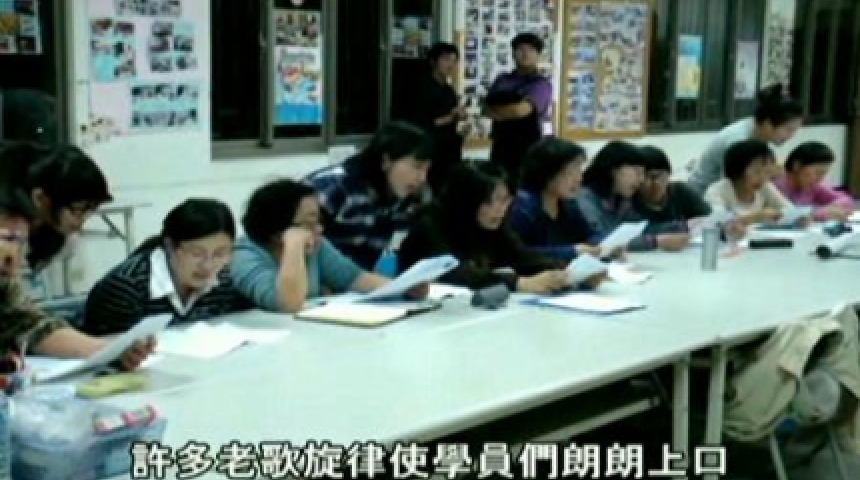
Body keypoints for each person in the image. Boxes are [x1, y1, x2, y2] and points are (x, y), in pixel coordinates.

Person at [0, 188, 151, 369]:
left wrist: (111, 351)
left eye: (21, 243)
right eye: (7, 239)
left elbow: (33, 326)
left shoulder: (5, 286)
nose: (14, 256)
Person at [399, 163, 602, 294]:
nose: (500, 210)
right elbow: (453, 273)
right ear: (467, 201)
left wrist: (569, 273)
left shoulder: (494, 223)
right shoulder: (430, 223)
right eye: (491, 201)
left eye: (505, 201)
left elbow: (523, 257)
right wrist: (519, 283)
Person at [231, 179, 420, 313]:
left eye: (319, 222)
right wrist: (293, 245)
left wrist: (403, 287)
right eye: (309, 223)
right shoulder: (245, 254)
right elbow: (288, 303)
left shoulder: (316, 246)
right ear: (278, 230)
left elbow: (354, 278)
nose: (319, 229)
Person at [83, 199, 252, 335]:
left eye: (220, 253)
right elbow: (111, 351)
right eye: (197, 253)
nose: (208, 265)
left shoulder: (224, 280)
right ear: (170, 246)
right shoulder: (127, 286)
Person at [304, 122, 433, 270]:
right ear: (386, 160)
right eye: (417, 166)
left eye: (426, 170)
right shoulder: (332, 187)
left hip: (358, 279)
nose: (422, 178)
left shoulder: (404, 197)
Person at [0, 142, 112, 273]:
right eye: (78, 209)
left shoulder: (52, 232)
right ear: (40, 198)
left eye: (92, 208)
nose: (84, 219)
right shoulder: (11, 223)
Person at [688, 83, 804, 193]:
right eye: (789, 129)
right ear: (768, 124)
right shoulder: (737, 140)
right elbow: (732, 187)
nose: (792, 136)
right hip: (704, 197)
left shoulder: (759, 135)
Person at [577, 141, 691, 252]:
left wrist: (681, 226)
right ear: (615, 169)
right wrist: (655, 241)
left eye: (643, 174)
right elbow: (600, 240)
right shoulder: (583, 199)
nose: (641, 180)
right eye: (637, 172)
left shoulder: (619, 199)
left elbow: (639, 228)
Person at [508, 137, 602, 262]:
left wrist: (601, 246)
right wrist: (572, 251)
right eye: (570, 171)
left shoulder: (568, 205)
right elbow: (518, 253)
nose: (578, 178)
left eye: (579, 169)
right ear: (547, 172)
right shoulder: (521, 208)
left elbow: (591, 234)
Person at [485, 33, 553, 184]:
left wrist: (498, 113)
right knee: (498, 185)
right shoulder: (502, 79)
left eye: (531, 50)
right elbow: (485, 109)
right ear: (513, 53)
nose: (525, 54)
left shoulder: (541, 84)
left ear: (538, 55)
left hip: (529, 149)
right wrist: (505, 112)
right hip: (500, 145)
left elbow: (520, 111)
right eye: (521, 49)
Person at [408, 42, 466, 190]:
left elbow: (452, 118)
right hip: (429, 149)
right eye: (446, 59)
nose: (451, 65)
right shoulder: (421, 87)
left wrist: (460, 117)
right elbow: (419, 122)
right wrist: (450, 117)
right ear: (433, 61)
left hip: (450, 149)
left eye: (454, 60)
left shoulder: (449, 90)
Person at [704, 139, 795, 225]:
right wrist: (755, 217)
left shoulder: (765, 186)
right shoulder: (717, 191)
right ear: (737, 170)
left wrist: (796, 216)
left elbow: (789, 209)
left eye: (767, 172)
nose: (763, 178)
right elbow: (717, 221)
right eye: (757, 172)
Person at [773, 141, 855, 221]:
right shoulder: (774, 186)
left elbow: (847, 200)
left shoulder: (814, 187)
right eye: (818, 172)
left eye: (824, 174)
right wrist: (817, 213)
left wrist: (832, 208)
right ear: (796, 166)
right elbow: (788, 215)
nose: (821, 178)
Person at [636, 145, 712, 224]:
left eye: (658, 176)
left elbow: (709, 216)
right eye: (648, 177)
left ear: (669, 174)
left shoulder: (680, 191)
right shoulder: (631, 204)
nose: (655, 183)